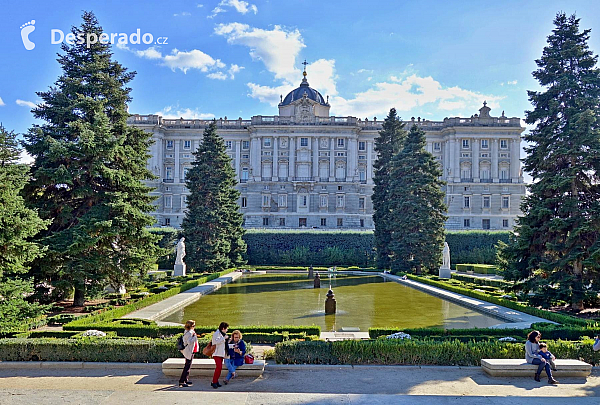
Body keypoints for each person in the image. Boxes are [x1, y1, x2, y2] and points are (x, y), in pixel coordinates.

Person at [178, 320, 198, 388]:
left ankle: (185, 379)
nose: (194, 327)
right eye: (193, 326)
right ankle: (182, 381)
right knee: (187, 367)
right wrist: (194, 337)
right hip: (188, 351)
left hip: (190, 350)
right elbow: (189, 342)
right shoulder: (189, 333)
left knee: (188, 366)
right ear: (191, 326)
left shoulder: (188, 332)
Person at [211, 321, 229, 389]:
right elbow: (215, 342)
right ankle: (214, 382)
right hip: (216, 353)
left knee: (219, 368)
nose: (227, 330)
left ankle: (216, 381)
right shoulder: (216, 334)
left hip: (220, 354)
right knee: (218, 368)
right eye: (226, 328)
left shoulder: (221, 334)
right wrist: (224, 338)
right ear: (223, 328)